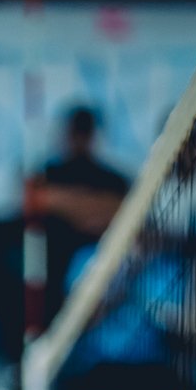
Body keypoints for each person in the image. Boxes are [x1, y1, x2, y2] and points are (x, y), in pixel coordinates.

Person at [26, 106, 130, 313]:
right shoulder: (48, 171)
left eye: (84, 132)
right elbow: (36, 200)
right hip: (52, 265)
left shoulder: (112, 177)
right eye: (75, 131)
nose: (79, 138)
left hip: (97, 265)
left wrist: (65, 203)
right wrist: (93, 208)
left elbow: (124, 212)